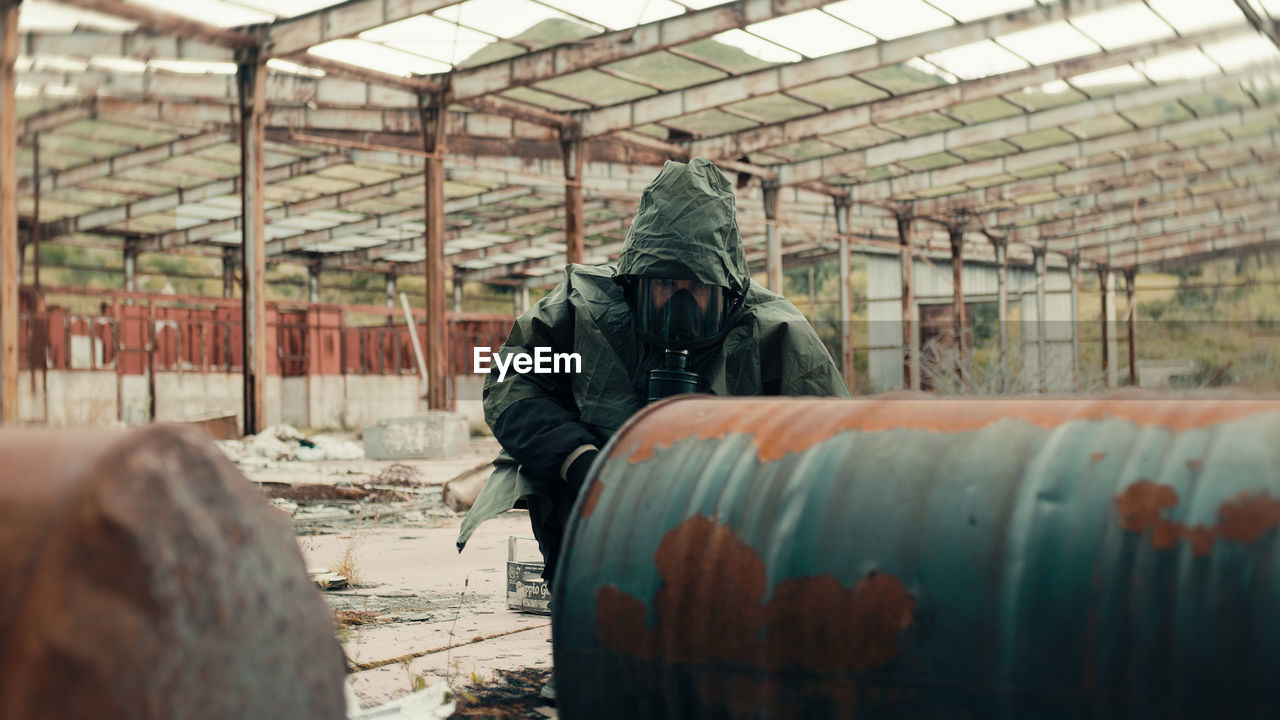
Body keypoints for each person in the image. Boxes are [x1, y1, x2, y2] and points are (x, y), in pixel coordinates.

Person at [456, 158, 850, 700]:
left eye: (697, 289)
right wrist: (578, 459)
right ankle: (588, 648)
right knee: (543, 481)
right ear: (635, 280)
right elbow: (512, 384)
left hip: (725, 511)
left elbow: (837, 441)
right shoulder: (580, 314)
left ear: (729, 289)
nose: (680, 303)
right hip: (596, 495)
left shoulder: (771, 332)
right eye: (665, 287)